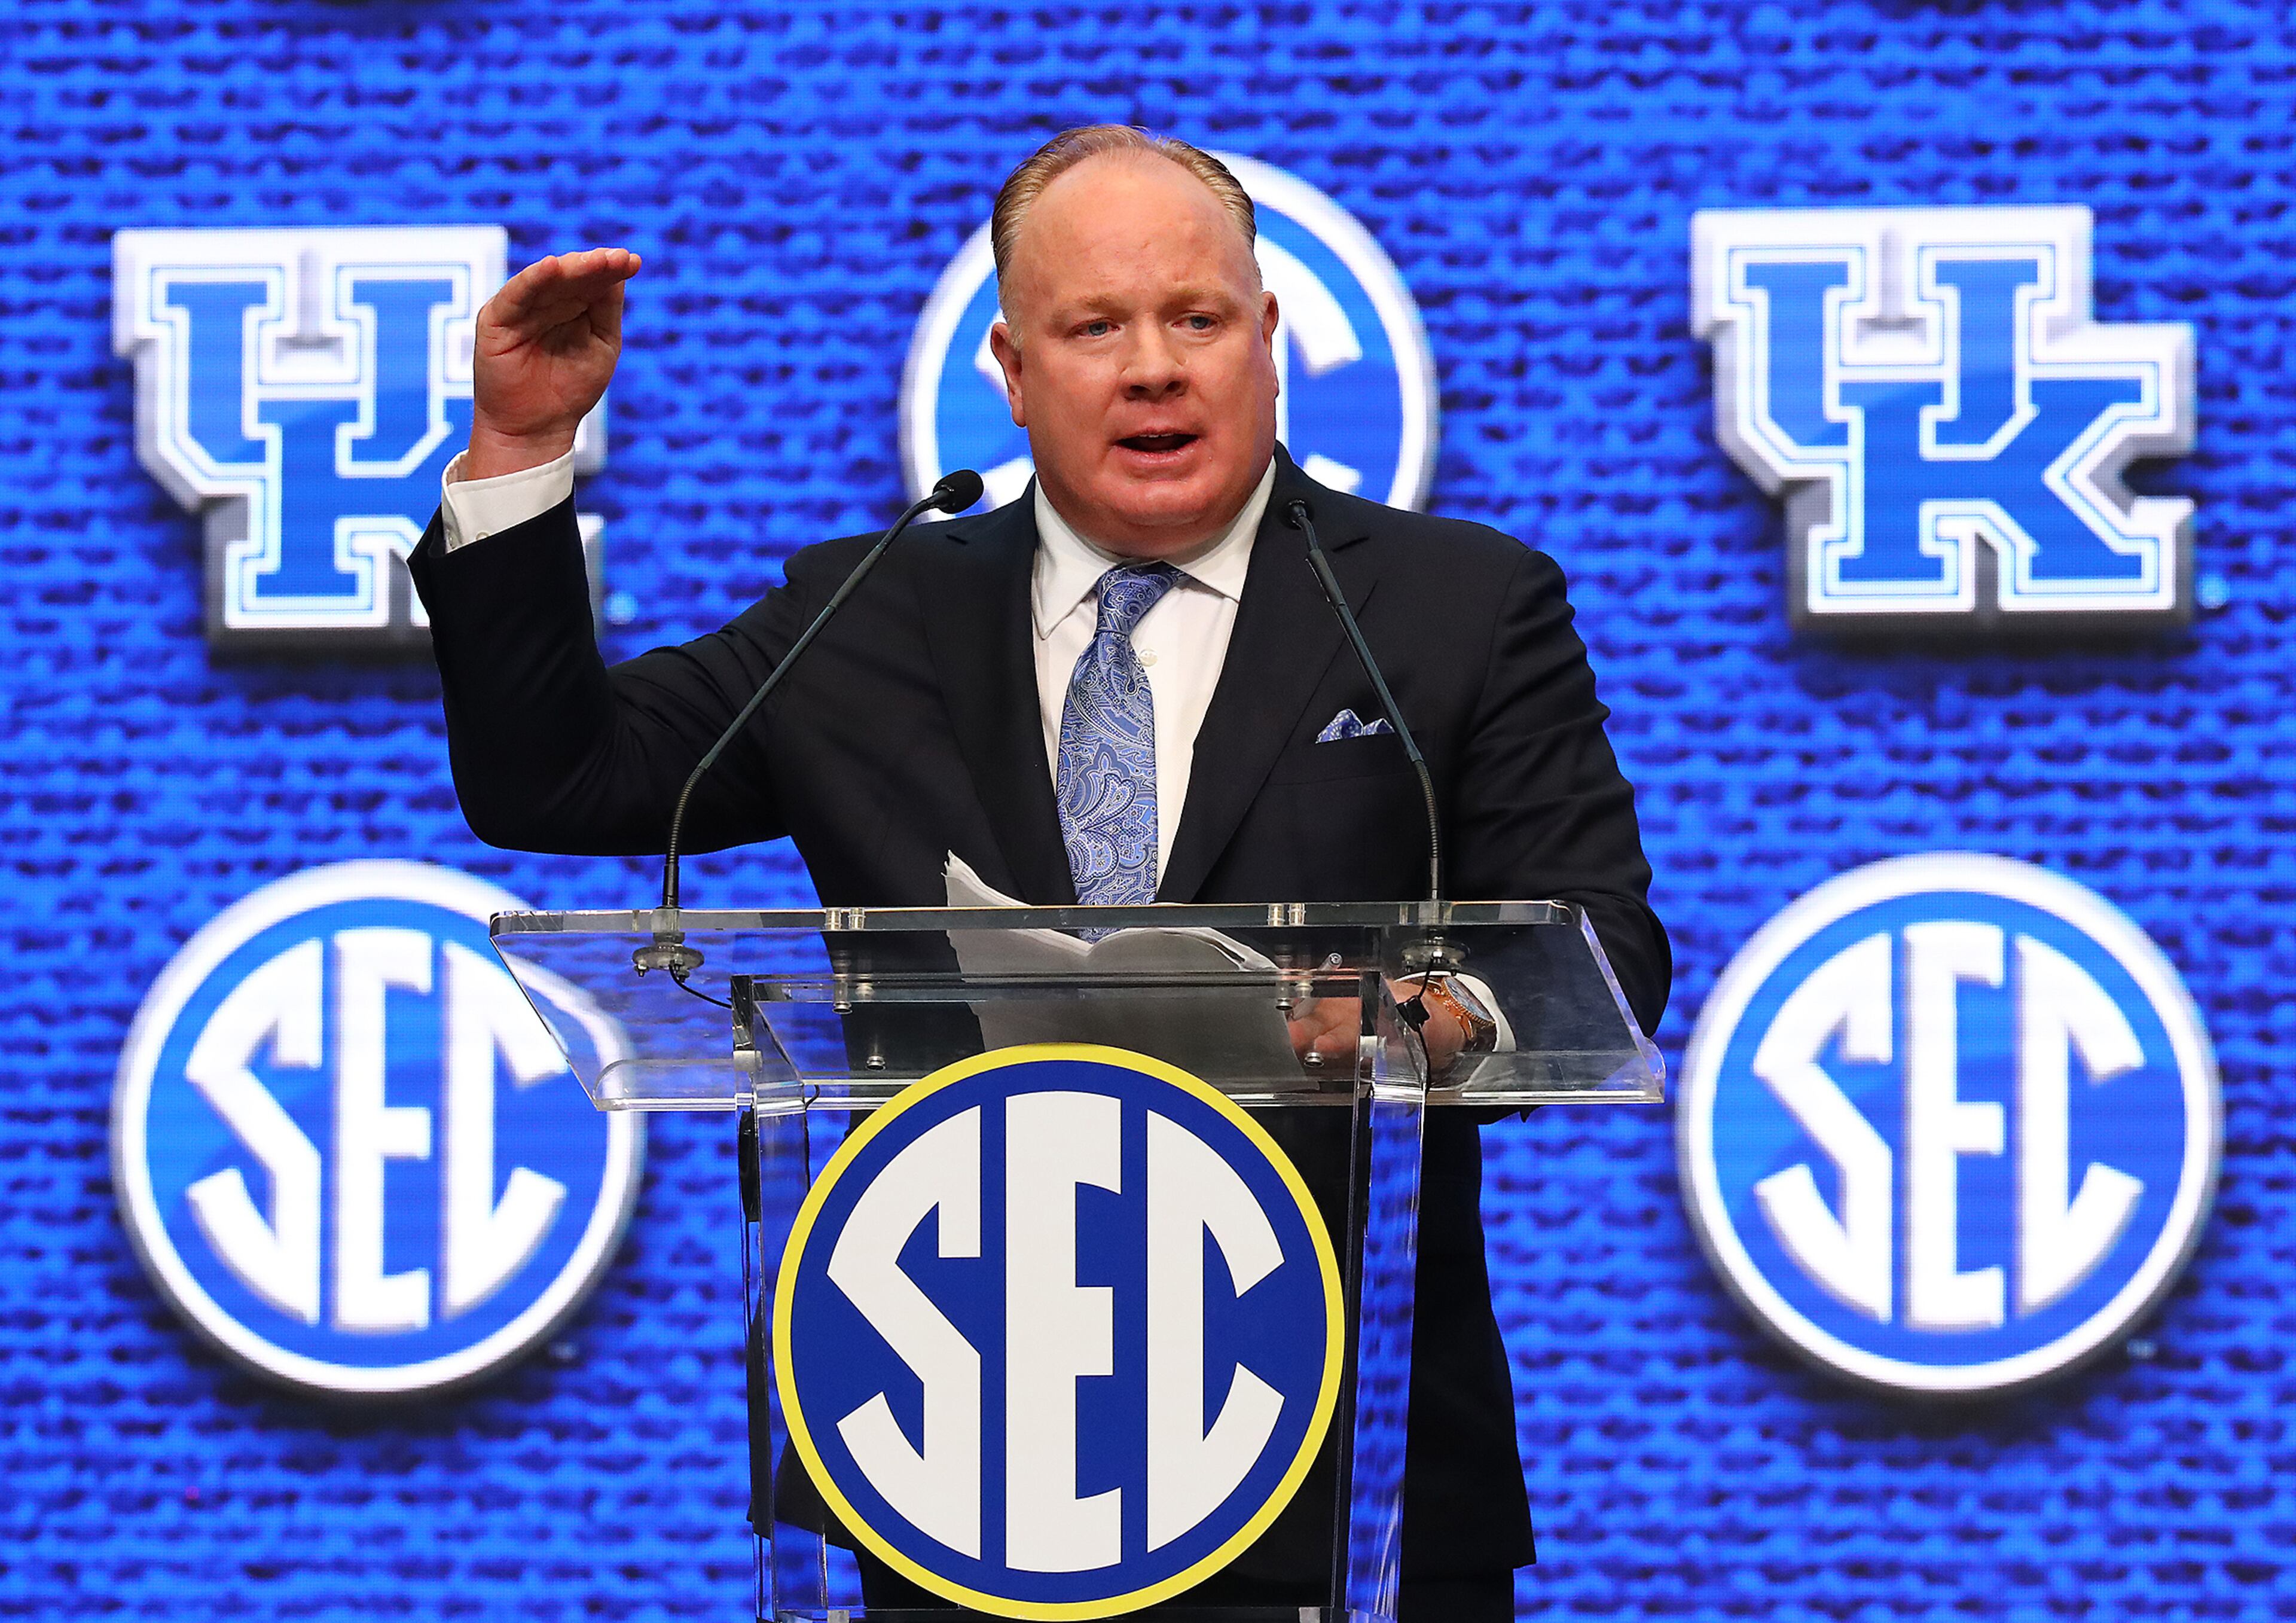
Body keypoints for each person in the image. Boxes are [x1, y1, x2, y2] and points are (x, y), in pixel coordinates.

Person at [411, 124, 1668, 1622]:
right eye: (1096, 328)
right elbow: (556, 778)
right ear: (1011, 371)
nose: (1154, 367)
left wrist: (1410, 1017)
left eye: (1196, 319)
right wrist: (519, 452)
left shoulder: (1459, 608)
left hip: (1353, 1474)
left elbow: (1598, 952)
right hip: (952, 1456)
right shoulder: (866, 614)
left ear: (1267, 339)